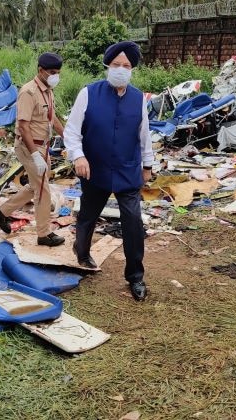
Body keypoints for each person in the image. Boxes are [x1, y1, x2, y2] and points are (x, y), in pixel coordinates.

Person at [64, 41, 154, 301]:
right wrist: (78, 156)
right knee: (88, 216)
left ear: (132, 69)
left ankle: (135, 277)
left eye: (126, 66)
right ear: (107, 66)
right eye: (116, 65)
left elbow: (144, 135)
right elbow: (71, 131)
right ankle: (82, 251)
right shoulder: (89, 93)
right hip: (95, 169)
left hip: (127, 170)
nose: (121, 69)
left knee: (133, 223)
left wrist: (147, 165)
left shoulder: (138, 99)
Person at [0, 53, 66, 247]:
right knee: (43, 190)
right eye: (51, 72)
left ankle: (2, 211)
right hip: (29, 147)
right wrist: (35, 154)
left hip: (43, 146)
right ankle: (43, 234)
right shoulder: (28, 92)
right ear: (40, 70)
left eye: (57, 73)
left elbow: (52, 118)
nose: (55, 76)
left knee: (36, 186)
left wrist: (67, 136)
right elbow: (23, 126)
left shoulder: (48, 91)